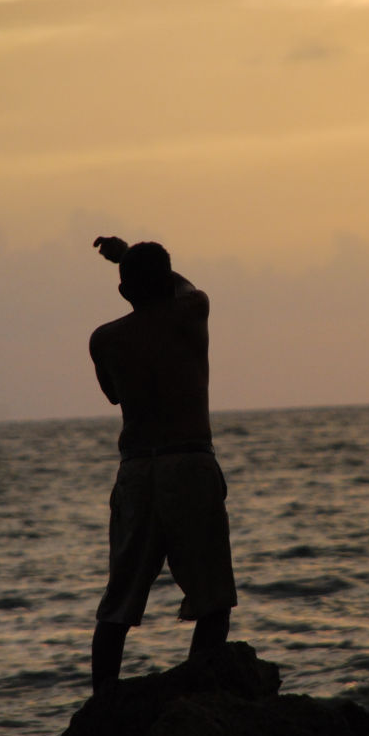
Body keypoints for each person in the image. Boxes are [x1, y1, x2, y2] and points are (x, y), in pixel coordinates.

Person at [89, 236, 237, 691]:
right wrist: (130, 251)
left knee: (118, 606)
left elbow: (114, 394)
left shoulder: (105, 339)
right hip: (188, 464)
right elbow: (186, 289)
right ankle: (197, 699)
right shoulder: (191, 313)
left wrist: (128, 264)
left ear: (123, 291)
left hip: (136, 471)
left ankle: (103, 706)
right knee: (212, 600)